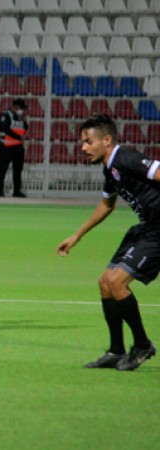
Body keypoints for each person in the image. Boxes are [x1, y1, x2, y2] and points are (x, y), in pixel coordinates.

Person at [56, 114, 156, 371]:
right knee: (105, 283)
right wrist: (76, 236)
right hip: (146, 228)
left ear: (107, 140)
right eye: (82, 142)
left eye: (89, 141)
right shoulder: (110, 167)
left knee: (116, 282)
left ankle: (143, 344)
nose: (83, 147)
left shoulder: (126, 158)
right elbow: (107, 204)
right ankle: (115, 350)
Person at [0, 98, 29, 198]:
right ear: (16, 107)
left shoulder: (20, 117)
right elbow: (4, 128)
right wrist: (19, 137)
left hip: (18, 147)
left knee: (18, 170)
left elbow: (23, 129)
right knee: (3, 169)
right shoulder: (5, 115)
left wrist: (25, 123)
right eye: (21, 108)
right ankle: (0, 190)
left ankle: (17, 191)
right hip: (6, 146)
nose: (22, 110)